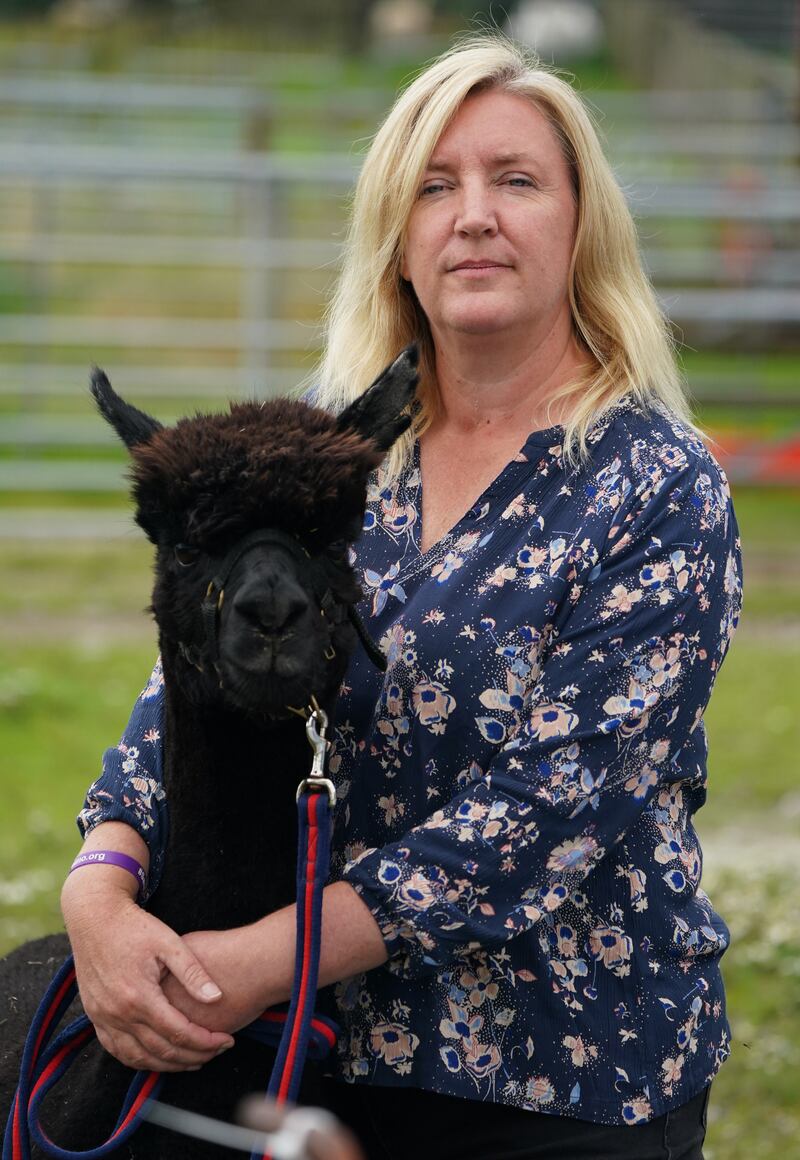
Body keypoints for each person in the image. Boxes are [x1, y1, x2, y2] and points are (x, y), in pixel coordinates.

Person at [61, 34, 742, 1160]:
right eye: (434, 185)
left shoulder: (653, 485)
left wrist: (252, 961)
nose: (471, 214)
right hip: (312, 1062)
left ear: (580, 223)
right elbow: (183, 682)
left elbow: (540, 814)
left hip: (555, 1082)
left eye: (513, 179)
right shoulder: (329, 459)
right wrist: (101, 894)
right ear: (397, 233)